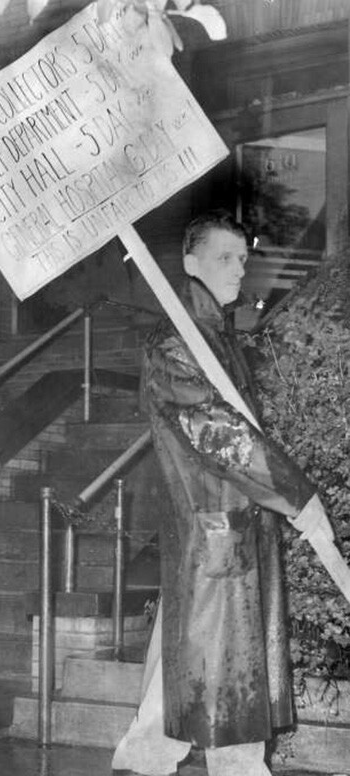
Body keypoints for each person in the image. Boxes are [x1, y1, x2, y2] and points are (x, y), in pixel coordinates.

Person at [112, 211, 333, 776]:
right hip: (213, 520)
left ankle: (145, 752)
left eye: (243, 258)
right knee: (224, 654)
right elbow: (224, 437)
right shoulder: (176, 343)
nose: (240, 269)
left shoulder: (215, 340)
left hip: (226, 522)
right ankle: (235, 764)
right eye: (225, 258)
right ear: (190, 264)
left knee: (195, 636)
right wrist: (297, 495)